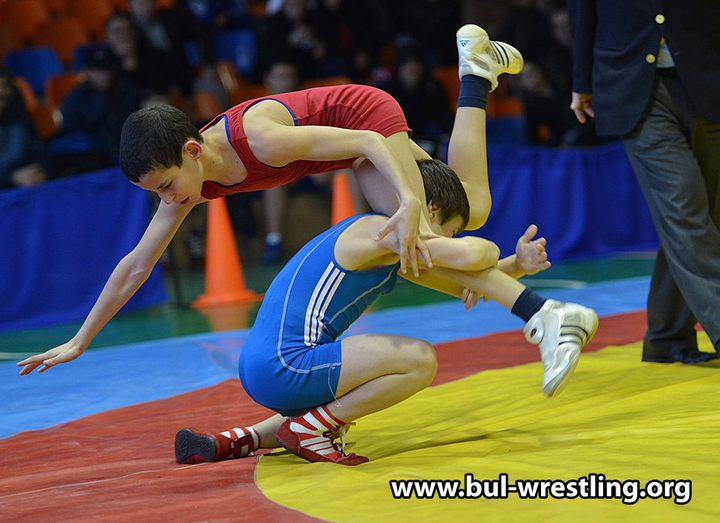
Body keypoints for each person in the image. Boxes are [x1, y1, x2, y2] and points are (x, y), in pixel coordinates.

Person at [16, 25, 526, 390]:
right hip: (352, 149)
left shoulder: (256, 140)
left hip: (365, 120)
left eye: (167, 186)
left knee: (434, 225)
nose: (167, 200)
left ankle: (527, 301)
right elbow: (136, 265)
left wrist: (411, 201)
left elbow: (370, 140)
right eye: (156, 194)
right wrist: (81, 340)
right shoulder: (191, 182)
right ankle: (476, 77)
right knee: (459, 210)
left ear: (193, 151)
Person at [170, 153, 598, 466]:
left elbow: (462, 285)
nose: (446, 241)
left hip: (271, 368)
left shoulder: (389, 244)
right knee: (418, 360)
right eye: (450, 229)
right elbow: (473, 255)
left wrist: (515, 267)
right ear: (429, 210)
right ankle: (307, 428)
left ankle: (235, 440)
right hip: (285, 366)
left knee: (351, 389)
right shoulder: (378, 230)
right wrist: (474, 247)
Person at [567, 1, 720, 363]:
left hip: (708, 78)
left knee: (703, 216)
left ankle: (668, 338)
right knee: (684, 205)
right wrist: (581, 82)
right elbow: (582, 10)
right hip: (633, 85)